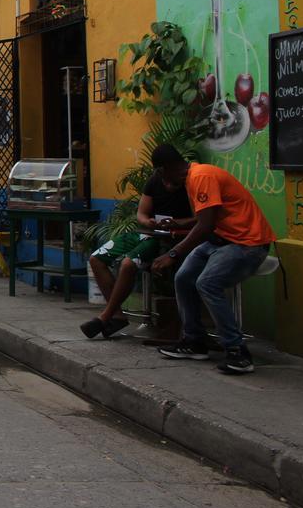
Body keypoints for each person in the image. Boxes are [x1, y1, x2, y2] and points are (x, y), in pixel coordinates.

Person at [148, 144, 276, 375]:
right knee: (184, 278)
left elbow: (205, 226)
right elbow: (209, 216)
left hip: (247, 244)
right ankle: (194, 341)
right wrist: (182, 223)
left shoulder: (202, 176)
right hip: (223, 240)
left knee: (207, 283)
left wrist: (173, 253)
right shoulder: (193, 177)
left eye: (159, 173)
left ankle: (238, 352)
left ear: (164, 169)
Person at [80, 170, 194, 339]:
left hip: (169, 237)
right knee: (96, 258)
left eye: (174, 184)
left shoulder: (191, 184)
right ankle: (117, 315)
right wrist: (148, 221)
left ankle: (105, 316)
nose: (170, 186)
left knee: (128, 263)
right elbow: (141, 213)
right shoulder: (154, 181)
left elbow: (200, 218)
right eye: (166, 182)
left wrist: (178, 223)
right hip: (147, 232)